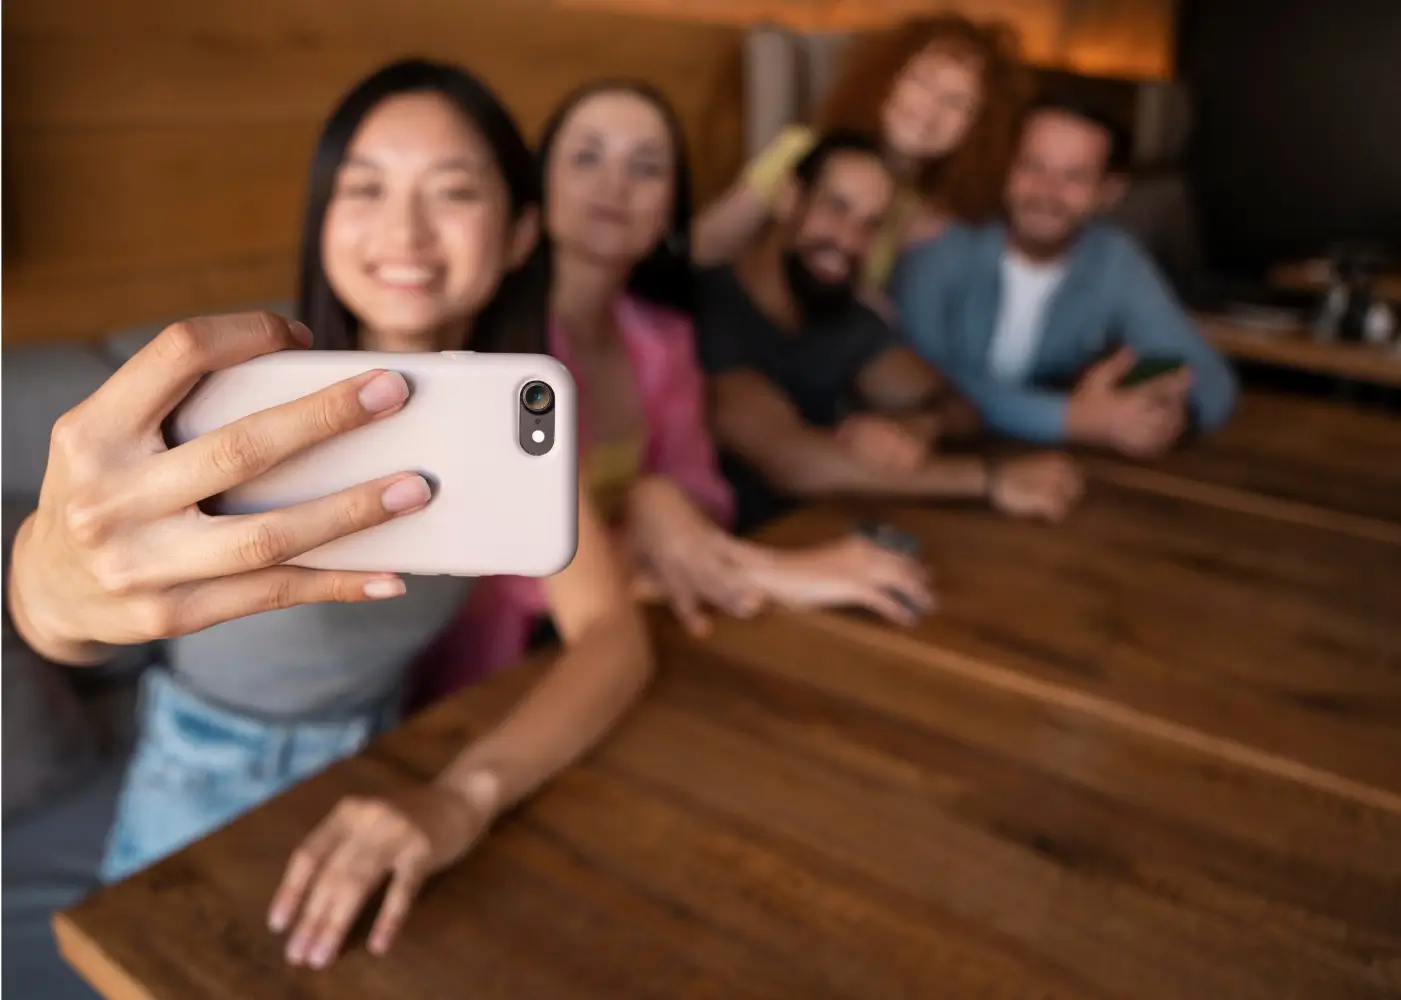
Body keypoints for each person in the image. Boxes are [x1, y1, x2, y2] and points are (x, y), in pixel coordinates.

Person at [6, 59, 652, 970]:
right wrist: (48, 590)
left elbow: (614, 635)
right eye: (365, 187)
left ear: (518, 234)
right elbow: (67, 594)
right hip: (200, 766)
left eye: (454, 190)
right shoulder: (227, 385)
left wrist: (462, 795)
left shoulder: (513, 428)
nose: (405, 230)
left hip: (387, 754)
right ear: (322, 221)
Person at [415, 82, 938, 701]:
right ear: (539, 186)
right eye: (587, 157)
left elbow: (704, 501)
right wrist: (768, 571)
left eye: (646, 167)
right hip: (484, 683)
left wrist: (659, 500)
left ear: (668, 209)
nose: (615, 185)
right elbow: (502, 571)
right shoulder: (479, 338)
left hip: (641, 641)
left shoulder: (663, 337)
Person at [696, 129, 1084, 534]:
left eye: (870, 225)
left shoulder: (842, 315)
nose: (849, 239)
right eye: (836, 208)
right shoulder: (707, 307)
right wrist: (991, 481)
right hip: (729, 558)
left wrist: (916, 428)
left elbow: (957, 407)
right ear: (789, 198)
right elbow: (792, 461)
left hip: (821, 538)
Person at [891, 97, 1239, 458]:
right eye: (1033, 166)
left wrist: (1171, 415)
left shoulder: (1113, 259)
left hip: (1031, 465)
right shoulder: (942, 244)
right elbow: (920, 382)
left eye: (1074, 176)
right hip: (912, 458)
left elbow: (1210, 377)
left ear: (1109, 192)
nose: (1047, 191)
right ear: (1007, 169)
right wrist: (1070, 418)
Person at [693, 14, 1028, 295]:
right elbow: (706, 244)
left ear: (979, 127)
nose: (930, 108)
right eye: (921, 81)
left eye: (956, 102)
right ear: (888, 80)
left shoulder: (943, 220)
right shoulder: (803, 148)